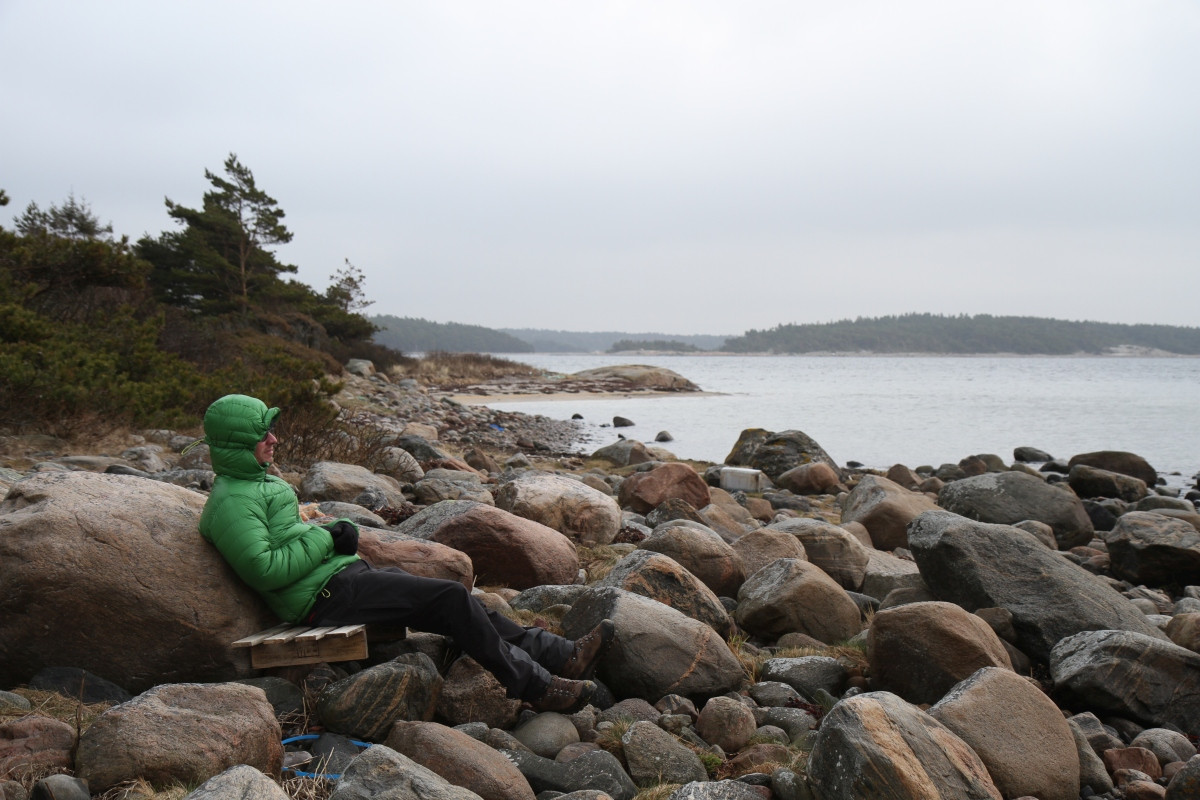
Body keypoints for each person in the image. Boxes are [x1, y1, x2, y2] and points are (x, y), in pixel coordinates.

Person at [197, 393, 613, 712]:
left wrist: (322, 533)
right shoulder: (232, 500)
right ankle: (536, 686)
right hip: (323, 599)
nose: (274, 439)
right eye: (262, 434)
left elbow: (281, 540)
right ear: (236, 441)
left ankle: (562, 655)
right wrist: (328, 538)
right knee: (450, 599)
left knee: (456, 600)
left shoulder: (252, 484)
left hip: (340, 581)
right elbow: (264, 569)